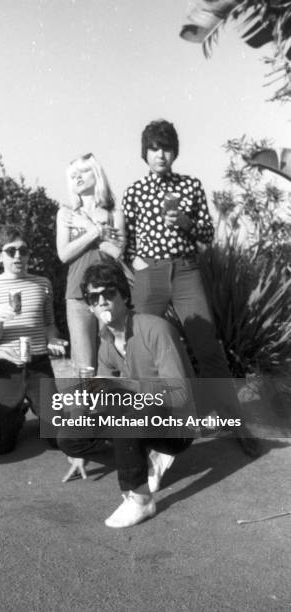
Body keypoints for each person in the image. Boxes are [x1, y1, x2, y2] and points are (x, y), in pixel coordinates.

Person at [122, 119, 260, 457]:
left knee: (207, 346)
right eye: (154, 148)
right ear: (146, 152)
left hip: (185, 271)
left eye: (167, 148)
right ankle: (145, 430)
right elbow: (125, 240)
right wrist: (136, 262)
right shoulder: (134, 191)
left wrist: (184, 221)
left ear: (174, 152)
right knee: (141, 347)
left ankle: (234, 422)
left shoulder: (190, 186)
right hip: (150, 274)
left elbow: (206, 235)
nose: (161, 154)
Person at [58, 261, 194, 528]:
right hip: (139, 415)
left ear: (123, 295)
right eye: (94, 297)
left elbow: (179, 394)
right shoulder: (106, 343)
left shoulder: (155, 328)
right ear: (89, 306)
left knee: (125, 417)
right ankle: (142, 457)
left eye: (109, 293)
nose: (102, 301)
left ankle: (141, 499)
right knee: (69, 436)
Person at [0, 226, 66, 454]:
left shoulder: (43, 284)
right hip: (6, 369)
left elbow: (49, 325)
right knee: (2, 447)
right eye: (11, 251)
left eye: (23, 251)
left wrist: (54, 341)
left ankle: (30, 407)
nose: (18, 256)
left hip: (39, 365)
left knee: (60, 440)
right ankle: (16, 412)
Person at [56, 153, 125, 371]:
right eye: (73, 175)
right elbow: (64, 254)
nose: (77, 178)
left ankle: (115, 405)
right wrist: (95, 231)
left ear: (96, 173)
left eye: (83, 172)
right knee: (84, 365)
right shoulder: (66, 214)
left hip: (110, 293)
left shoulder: (115, 213)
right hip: (77, 296)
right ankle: (85, 406)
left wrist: (86, 227)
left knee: (113, 357)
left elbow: (118, 253)